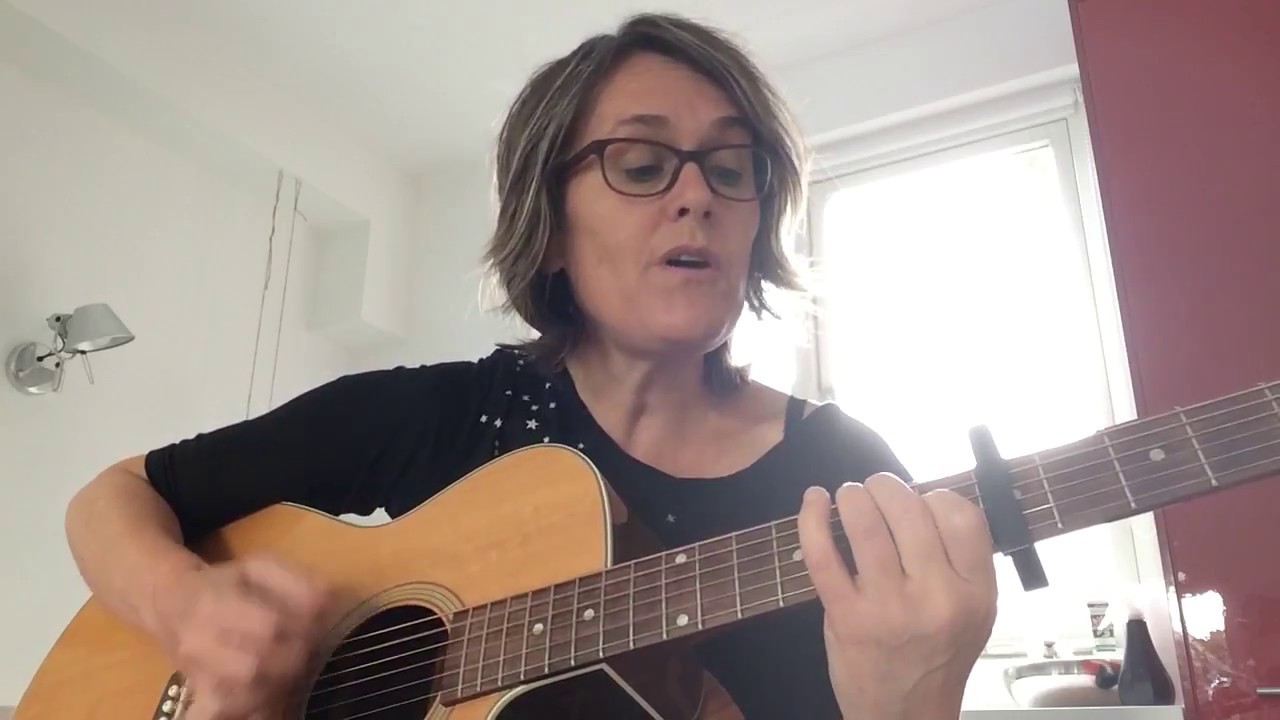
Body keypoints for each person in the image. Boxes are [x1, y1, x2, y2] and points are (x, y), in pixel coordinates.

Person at [64, 12, 997, 720]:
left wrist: (911, 704)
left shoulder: (849, 484)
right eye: (642, 164)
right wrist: (188, 610)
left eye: (730, 167)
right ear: (547, 229)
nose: (697, 196)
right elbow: (115, 498)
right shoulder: (438, 413)